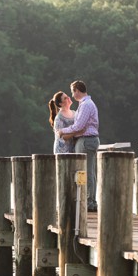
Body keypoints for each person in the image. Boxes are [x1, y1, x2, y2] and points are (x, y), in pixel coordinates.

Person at [59, 80, 100, 211]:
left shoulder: (86, 105)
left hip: (86, 140)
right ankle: (91, 201)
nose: (72, 94)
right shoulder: (85, 104)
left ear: (77, 90)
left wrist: (62, 131)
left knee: (86, 171)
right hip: (88, 140)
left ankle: (89, 201)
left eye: (73, 91)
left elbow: (79, 126)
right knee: (90, 172)